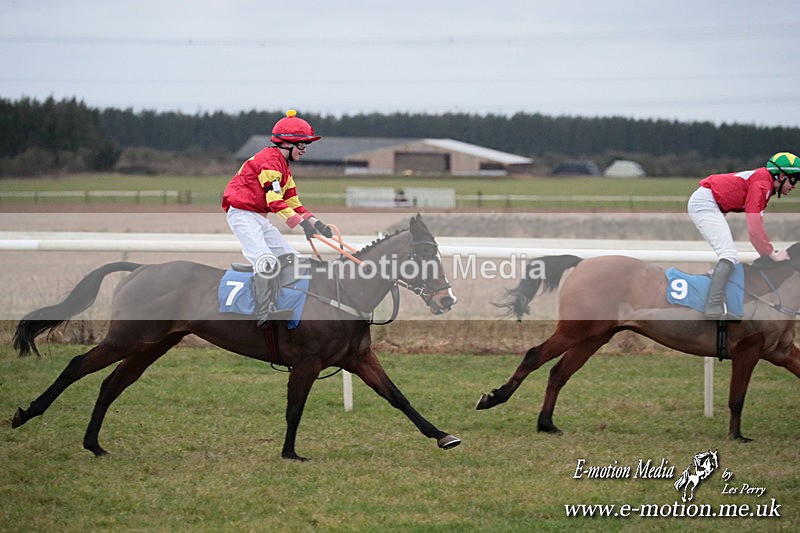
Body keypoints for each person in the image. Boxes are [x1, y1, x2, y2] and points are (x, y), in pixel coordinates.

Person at [222, 110, 333, 328]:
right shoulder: (269, 163)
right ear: (287, 144)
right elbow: (275, 201)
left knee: (293, 258)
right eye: (302, 145)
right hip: (243, 215)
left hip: (258, 217)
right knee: (266, 261)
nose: (304, 150)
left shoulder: (284, 167)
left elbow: (293, 202)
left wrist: (315, 223)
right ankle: (264, 312)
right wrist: (301, 224)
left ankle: (285, 301)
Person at [688, 151, 798, 319]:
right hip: (706, 203)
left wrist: (767, 252)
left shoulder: (765, 182)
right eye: (793, 179)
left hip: (712, 203)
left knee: (729, 255)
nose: (795, 185)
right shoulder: (762, 184)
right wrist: (771, 254)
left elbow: (756, 225)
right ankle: (713, 305)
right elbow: (754, 227)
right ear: (781, 175)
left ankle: (715, 294)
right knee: (729, 255)